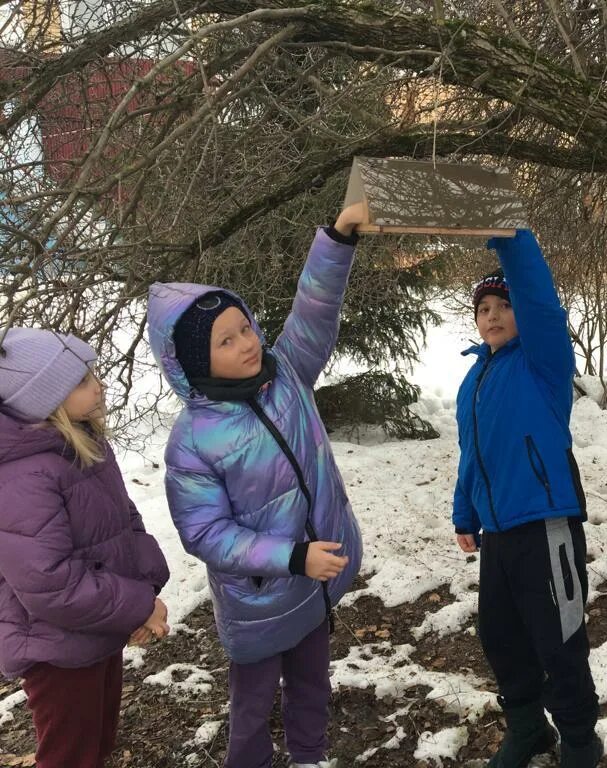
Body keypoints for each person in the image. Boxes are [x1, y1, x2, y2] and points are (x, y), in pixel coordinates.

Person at [146, 204, 365, 768]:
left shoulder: (285, 372)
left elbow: (315, 310)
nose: (246, 343)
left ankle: (310, 758)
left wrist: (338, 239)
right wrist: (292, 557)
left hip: (315, 581)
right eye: (226, 341)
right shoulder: (193, 439)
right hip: (260, 601)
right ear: (197, 363)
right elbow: (206, 533)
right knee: (252, 707)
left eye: (244, 327)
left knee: (314, 686)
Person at [454, 230, 602, 767]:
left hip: (546, 526)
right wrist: (464, 510)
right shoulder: (474, 380)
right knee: (500, 636)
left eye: (504, 305)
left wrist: (510, 243)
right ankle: (527, 727)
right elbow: (473, 453)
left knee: (558, 641)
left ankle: (581, 741)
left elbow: (540, 300)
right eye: (484, 308)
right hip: (498, 533)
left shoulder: (543, 364)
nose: (492, 316)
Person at [0, 327, 170, 768]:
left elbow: (124, 523)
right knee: (70, 757)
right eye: (80, 380)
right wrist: (136, 606)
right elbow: (50, 583)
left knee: (96, 747)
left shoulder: (81, 442)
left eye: (92, 373)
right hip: (56, 650)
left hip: (94, 630)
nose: (98, 384)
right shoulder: (22, 476)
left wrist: (146, 594)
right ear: (44, 397)